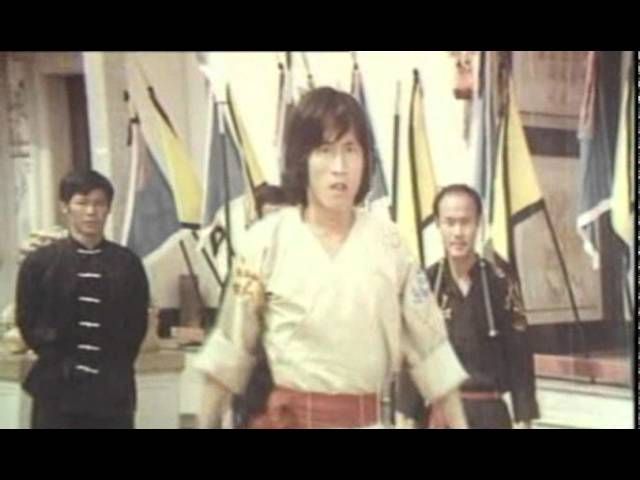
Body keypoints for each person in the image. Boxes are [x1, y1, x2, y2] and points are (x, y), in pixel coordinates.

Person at [194, 87, 468, 428]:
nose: (340, 168)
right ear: (301, 159)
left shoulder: (390, 244)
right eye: (325, 150)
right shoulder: (265, 242)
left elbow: (432, 351)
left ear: (366, 159)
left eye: (350, 149)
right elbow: (228, 351)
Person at [16, 169, 150, 429]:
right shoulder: (40, 263)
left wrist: (112, 367)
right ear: (65, 207)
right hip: (56, 389)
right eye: (82, 202)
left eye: (99, 203)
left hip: (112, 393)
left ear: (108, 209)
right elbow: (28, 321)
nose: (91, 212)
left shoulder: (127, 263)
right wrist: (59, 359)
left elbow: (136, 325)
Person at [423, 184, 539, 428]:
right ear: (437, 224)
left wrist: (525, 417)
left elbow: (520, 357)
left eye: (465, 222)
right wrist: (405, 419)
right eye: (450, 222)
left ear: (479, 224)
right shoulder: (425, 285)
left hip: (489, 413)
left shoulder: (501, 283)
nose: (458, 232)